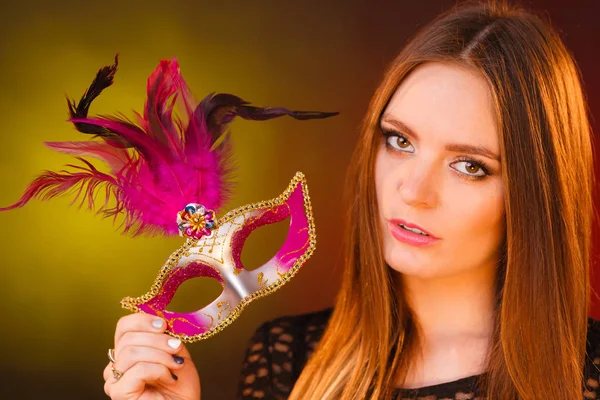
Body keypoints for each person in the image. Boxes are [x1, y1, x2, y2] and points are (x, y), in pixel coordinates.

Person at [102, 0, 600, 399]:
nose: (412, 190)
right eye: (400, 141)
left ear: (535, 196)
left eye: (469, 166)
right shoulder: (286, 359)